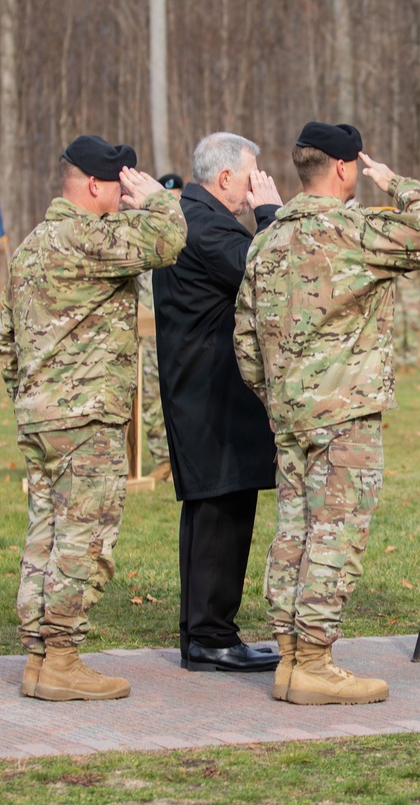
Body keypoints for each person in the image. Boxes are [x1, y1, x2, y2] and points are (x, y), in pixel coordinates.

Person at [234, 121, 420, 705]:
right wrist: (397, 182)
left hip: (290, 414)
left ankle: (288, 657)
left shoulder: (267, 239)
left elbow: (245, 339)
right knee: (336, 532)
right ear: (341, 168)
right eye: (357, 167)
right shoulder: (355, 229)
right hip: (345, 412)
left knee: (293, 532)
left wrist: (278, 397)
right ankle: (313, 662)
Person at [0, 136, 187, 701]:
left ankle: (38, 655)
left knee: (45, 532)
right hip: (86, 419)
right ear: (95, 185)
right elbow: (169, 240)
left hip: (43, 418)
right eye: (116, 182)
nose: (121, 191)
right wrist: (155, 198)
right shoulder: (87, 236)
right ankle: (62, 659)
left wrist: (32, 396)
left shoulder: (30, 245)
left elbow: (2, 338)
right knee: (85, 534)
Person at [153, 133, 282, 674]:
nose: (256, 184)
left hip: (210, 389)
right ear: (225, 177)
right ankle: (209, 636)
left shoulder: (192, 216)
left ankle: (207, 633)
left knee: (221, 506)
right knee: (218, 508)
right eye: (251, 175)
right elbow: (273, 271)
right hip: (211, 393)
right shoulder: (204, 225)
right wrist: (272, 214)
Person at [136, 173, 184, 481]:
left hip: (180, 332)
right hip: (148, 335)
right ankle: (163, 458)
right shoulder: (147, 238)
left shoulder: (191, 236)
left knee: (183, 399)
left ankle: (183, 459)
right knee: (150, 398)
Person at [393, 270, 420, 367]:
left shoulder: (418, 260)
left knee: (412, 334)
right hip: (398, 303)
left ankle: (411, 361)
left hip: (413, 303)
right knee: (397, 332)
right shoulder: (395, 259)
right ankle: (398, 361)